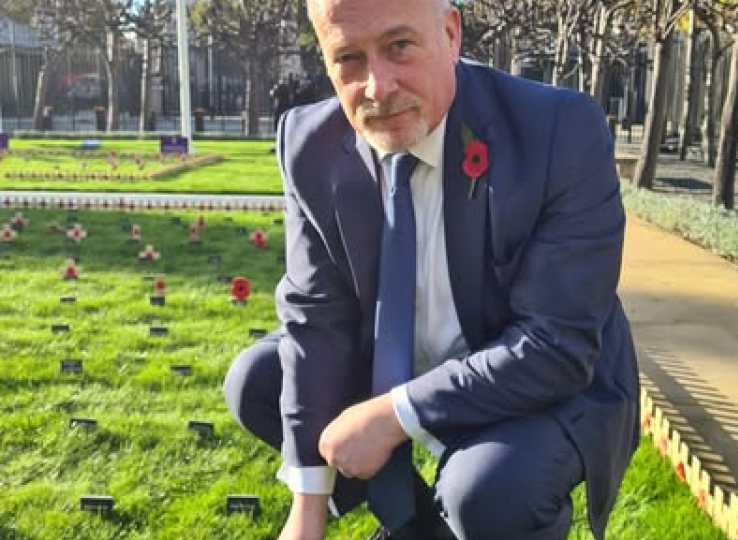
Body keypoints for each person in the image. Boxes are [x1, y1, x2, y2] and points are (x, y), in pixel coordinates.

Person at [223, 0, 639, 539]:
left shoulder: (558, 131)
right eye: (348, 57)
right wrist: (306, 505)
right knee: (256, 381)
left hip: (535, 371)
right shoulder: (310, 143)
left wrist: (393, 414)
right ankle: (420, 531)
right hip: (398, 352)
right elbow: (314, 316)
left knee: (490, 493)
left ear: (449, 32)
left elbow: (554, 345)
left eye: (399, 46)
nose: (377, 86)